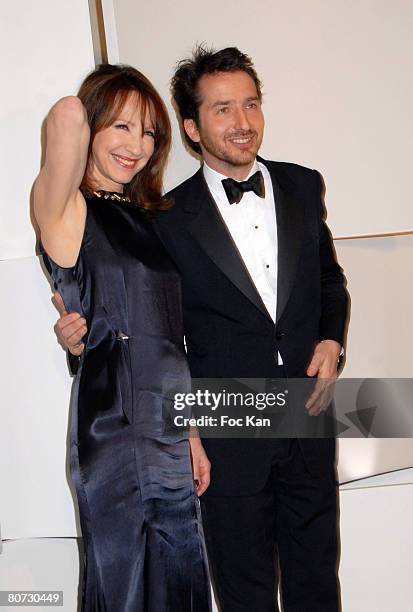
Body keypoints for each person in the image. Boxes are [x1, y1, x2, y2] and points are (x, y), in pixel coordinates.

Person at [56, 47, 348, 612]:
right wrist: (79, 331)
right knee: (244, 594)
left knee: (318, 585)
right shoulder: (164, 217)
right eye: (222, 109)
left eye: (251, 104)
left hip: (308, 418)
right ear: (191, 127)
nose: (242, 122)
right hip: (226, 426)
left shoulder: (303, 186)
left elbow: (330, 281)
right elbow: (142, 316)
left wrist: (333, 339)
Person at [34, 63, 211, 612]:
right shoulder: (65, 212)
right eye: (120, 127)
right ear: (91, 127)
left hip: (167, 426)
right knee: (126, 585)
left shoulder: (148, 220)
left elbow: (166, 338)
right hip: (112, 427)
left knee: (180, 579)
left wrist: (192, 434)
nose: (137, 145)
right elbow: (65, 114)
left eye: (148, 132)